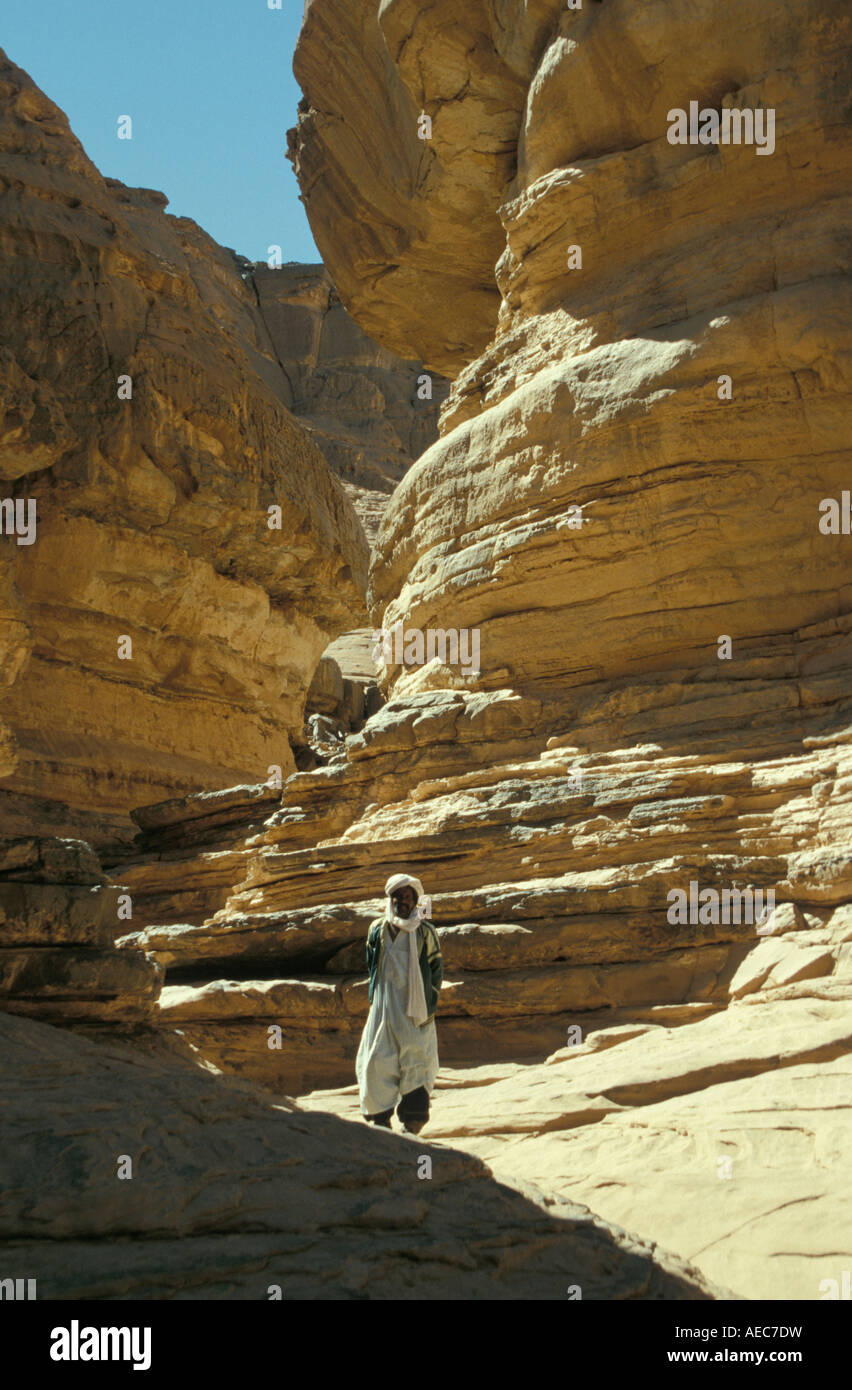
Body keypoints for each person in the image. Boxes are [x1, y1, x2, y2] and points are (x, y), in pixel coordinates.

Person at [355, 873, 443, 1134]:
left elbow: (435, 969)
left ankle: (413, 1125)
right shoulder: (377, 929)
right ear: (390, 898)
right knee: (375, 1062)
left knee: (416, 1063)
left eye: (406, 897)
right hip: (383, 1007)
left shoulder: (425, 932)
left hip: (414, 1011)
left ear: (414, 900)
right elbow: (373, 965)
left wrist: (428, 1007)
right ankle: (381, 1123)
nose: (401, 901)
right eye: (396, 896)